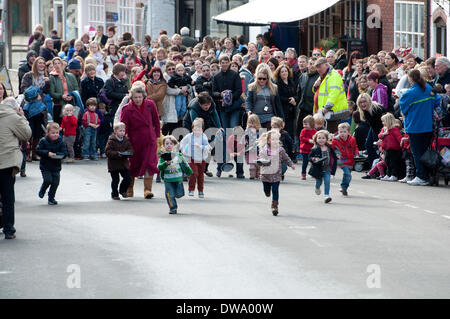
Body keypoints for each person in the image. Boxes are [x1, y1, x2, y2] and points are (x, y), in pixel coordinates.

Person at [400, 69, 441, 186]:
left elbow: (404, 109)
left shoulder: (409, 94)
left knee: (417, 152)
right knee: (425, 152)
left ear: (410, 79)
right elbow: (437, 102)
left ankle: (421, 176)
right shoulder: (429, 89)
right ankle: (426, 175)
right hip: (428, 125)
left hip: (415, 126)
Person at [120, 86, 161, 199]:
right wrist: (124, 141)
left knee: (150, 164)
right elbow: (124, 126)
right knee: (133, 165)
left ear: (143, 96)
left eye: (139, 97)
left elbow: (156, 121)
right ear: (131, 98)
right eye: (135, 97)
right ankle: (129, 188)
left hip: (149, 140)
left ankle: (147, 190)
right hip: (134, 141)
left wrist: (157, 136)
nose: (138, 99)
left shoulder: (150, 104)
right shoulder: (127, 109)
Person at [0, 96, 32, 239]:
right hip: (6, 161)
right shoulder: (13, 116)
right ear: (15, 107)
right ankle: (8, 229)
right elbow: (26, 134)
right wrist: (22, 117)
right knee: (8, 197)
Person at [212, 54, 243, 176]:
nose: (224, 64)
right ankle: (220, 167)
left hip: (233, 108)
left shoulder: (235, 75)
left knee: (234, 136)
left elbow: (239, 91)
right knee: (223, 136)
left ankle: (239, 170)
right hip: (222, 110)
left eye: (226, 62)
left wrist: (228, 98)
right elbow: (213, 92)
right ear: (219, 63)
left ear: (229, 63)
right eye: (222, 62)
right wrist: (221, 95)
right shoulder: (216, 76)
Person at [257, 129, 295, 216]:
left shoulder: (280, 150)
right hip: (266, 174)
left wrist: (291, 164)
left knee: (275, 190)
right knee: (266, 190)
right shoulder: (264, 149)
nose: (275, 141)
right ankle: (267, 191)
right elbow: (260, 158)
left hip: (276, 174)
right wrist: (260, 161)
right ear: (268, 140)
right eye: (272, 139)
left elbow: (286, 158)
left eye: (276, 139)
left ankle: (274, 206)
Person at [158, 135, 193, 214]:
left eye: (171, 143)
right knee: (169, 195)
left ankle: (177, 194)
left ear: (174, 145)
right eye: (167, 144)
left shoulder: (178, 155)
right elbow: (159, 167)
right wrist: (165, 163)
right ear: (163, 146)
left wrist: (189, 172)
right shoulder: (162, 157)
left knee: (179, 194)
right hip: (168, 179)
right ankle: (173, 208)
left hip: (178, 178)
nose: (169, 145)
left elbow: (185, 164)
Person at [314, 57, 349, 134]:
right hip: (323, 112)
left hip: (332, 113)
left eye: (319, 67)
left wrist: (327, 107)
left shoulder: (334, 76)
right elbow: (316, 91)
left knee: (331, 136)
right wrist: (315, 87)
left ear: (326, 65)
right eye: (317, 68)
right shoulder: (323, 75)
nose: (318, 70)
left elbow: (334, 93)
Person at [36, 122, 68, 205]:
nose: (55, 135)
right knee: (48, 180)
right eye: (53, 133)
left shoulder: (61, 142)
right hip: (45, 166)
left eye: (57, 133)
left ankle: (51, 197)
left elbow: (64, 153)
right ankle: (43, 189)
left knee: (55, 183)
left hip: (56, 166)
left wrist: (59, 155)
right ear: (47, 133)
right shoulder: (43, 141)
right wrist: (47, 153)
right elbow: (38, 151)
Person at [180, 118, 211, 197]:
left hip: (201, 159)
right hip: (192, 158)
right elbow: (182, 142)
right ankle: (191, 189)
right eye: (195, 130)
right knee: (193, 173)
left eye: (199, 130)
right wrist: (183, 150)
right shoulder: (189, 136)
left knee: (200, 175)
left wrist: (201, 147)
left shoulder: (204, 137)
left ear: (202, 130)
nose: (197, 132)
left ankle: (200, 190)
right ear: (192, 129)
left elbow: (207, 147)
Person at [246, 63, 284, 129]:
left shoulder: (273, 88)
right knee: (255, 138)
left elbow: (278, 104)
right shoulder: (252, 87)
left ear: (267, 79)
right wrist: (249, 110)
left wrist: (282, 119)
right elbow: (248, 101)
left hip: (270, 117)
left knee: (268, 137)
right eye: (259, 78)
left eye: (264, 79)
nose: (261, 80)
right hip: (256, 118)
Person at [105, 122, 133, 200]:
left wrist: (128, 153)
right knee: (115, 180)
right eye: (120, 131)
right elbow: (107, 151)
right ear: (115, 131)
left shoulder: (126, 140)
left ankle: (123, 190)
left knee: (127, 178)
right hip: (113, 164)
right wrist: (117, 154)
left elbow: (130, 149)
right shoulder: (111, 140)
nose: (122, 132)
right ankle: (114, 194)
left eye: (123, 131)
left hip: (123, 163)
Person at [356, 93, 386, 166]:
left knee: (376, 147)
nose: (363, 104)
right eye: (361, 102)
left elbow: (380, 125)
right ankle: (372, 167)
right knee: (368, 145)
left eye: (364, 101)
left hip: (383, 128)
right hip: (374, 128)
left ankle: (377, 167)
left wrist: (379, 138)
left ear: (369, 101)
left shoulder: (376, 109)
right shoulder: (365, 111)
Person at [308, 130, 337, 204]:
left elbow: (334, 157)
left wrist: (333, 170)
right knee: (319, 182)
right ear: (316, 139)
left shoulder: (329, 148)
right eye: (319, 138)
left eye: (323, 138)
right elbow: (309, 157)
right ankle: (317, 187)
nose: (321, 139)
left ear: (326, 139)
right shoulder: (314, 149)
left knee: (327, 181)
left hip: (327, 168)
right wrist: (313, 159)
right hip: (318, 169)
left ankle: (326, 196)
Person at [331, 122, 359, 196]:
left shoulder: (352, 139)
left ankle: (344, 189)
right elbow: (332, 149)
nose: (342, 133)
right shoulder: (335, 140)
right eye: (340, 132)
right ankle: (343, 187)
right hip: (342, 160)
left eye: (344, 132)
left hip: (350, 159)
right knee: (347, 173)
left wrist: (356, 153)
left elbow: (355, 147)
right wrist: (336, 154)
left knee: (348, 175)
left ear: (349, 132)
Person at [49, 57, 79, 124]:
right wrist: (61, 96)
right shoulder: (52, 78)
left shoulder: (71, 76)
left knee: (72, 125)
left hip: (71, 104)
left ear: (62, 64)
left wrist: (71, 96)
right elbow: (52, 93)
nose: (57, 65)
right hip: (59, 105)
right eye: (55, 64)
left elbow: (76, 89)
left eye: (58, 63)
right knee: (59, 125)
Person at [296, 57, 319, 135]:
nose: (312, 66)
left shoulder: (320, 77)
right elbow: (298, 93)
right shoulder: (303, 76)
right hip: (302, 109)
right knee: (300, 132)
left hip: (313, 110)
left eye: (314, 64)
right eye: (310, 64)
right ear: (307, 65)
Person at [377, 113, 402, 182]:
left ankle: (394, 175)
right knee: (387, 162)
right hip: (386, 148)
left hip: (394, 149)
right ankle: (388, 174)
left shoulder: (394, 129)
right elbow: (379, 136)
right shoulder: (384, 129)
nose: (383, 123)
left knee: (393, 162)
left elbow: (399, 137)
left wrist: (401, 144)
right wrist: (384, 134)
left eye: (384, 121)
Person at [274, 64, 297, 140]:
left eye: (285, 71)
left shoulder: (292, 82)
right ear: (279, 74)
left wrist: (294, 99)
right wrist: (289, 100)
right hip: (283, 111)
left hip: (292, 111)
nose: (284, 73)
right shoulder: (277, 84)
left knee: (292, 131)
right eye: (282, 72)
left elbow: (297, 94)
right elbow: (278, 97)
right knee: (285, 131)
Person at [299, 115, 317, 180]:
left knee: (314, 162)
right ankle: (303, 174)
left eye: (306, 124)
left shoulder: (314, 131)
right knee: (305, 163)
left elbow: (316, 138)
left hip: (312, 150)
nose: (304, 126)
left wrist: (315, 141)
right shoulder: (303, 131)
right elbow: (301, 138)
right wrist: (309, 140)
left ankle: (313, 173)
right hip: (304, 149)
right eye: (304, 124)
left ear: (311, 124)